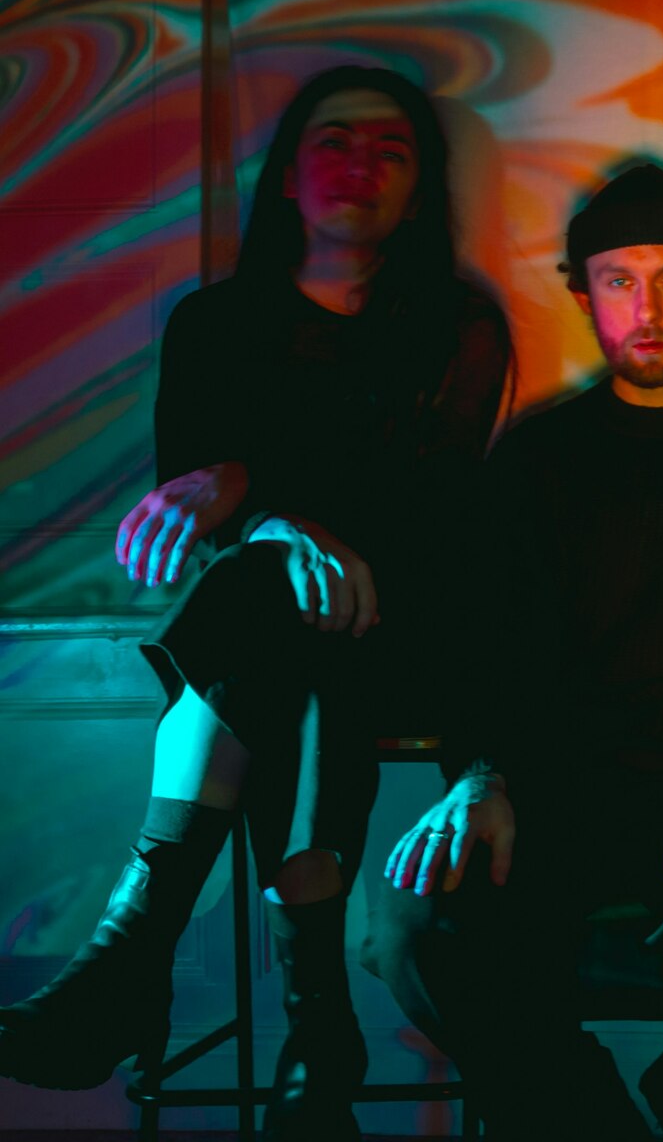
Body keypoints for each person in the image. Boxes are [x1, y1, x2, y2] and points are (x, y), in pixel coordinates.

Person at [0, 65, 512, 1141]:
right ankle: (319, 1034)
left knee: (278, 605)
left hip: (412, 628)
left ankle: (131, 959)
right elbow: (194, 504)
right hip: (276, 648)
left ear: (417, 192)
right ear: (287, 175)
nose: (361, 164)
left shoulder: (458, 328)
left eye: (392, 150)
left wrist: (257, 490)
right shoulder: (215, 325)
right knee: (281, 616)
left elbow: (427, 504)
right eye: (335, 141)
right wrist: (274, 522)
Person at [360, 164, 663, 1141]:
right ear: (583, 293)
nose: (647, 308)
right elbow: (483, 647)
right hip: (555, 798)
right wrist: (482, 772)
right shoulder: (535, 459)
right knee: (412, 922)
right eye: (620, 280)